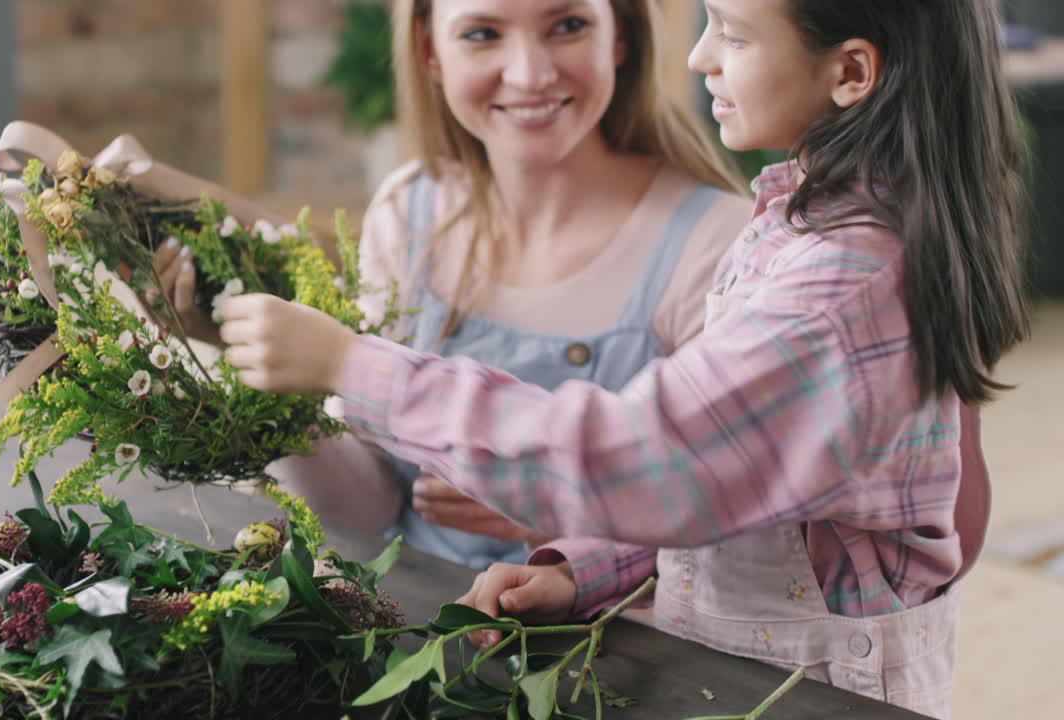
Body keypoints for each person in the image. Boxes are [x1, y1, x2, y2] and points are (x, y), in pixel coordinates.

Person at [213, 0, 1032, 716]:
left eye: (733, 33)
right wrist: (589, 570)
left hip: (809, 694)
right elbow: (733, 482)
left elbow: (646, 459)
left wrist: (355, 367)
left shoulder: (839, 287)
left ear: (851, 71)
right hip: (725, 666)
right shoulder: (794, 224)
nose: (699, 56)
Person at [149, 0, 750, 569]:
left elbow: (741, 541)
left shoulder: (720, 242)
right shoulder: (411, 211)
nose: (531, 73)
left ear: (620, 33)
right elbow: (368, 512)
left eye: (566, 25)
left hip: (621, 655)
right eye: (483, 34)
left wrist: (557, 522)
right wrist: (263, 367)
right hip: (414, 623)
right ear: (429, 50)